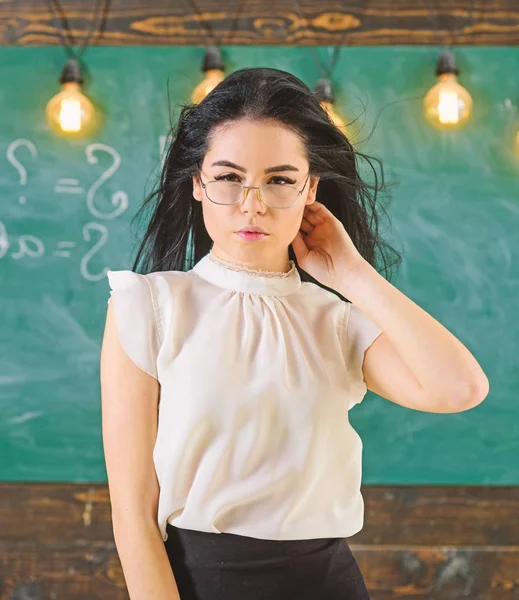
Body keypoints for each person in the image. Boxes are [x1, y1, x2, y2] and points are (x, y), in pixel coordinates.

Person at [100, 67, 489, 600]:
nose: (253, 203)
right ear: (197, 182)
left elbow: (459, 389)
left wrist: (353, 275)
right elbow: (133, 514)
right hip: (198, 583)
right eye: (229, 177)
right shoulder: (147, 305)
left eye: (280, 180)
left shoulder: (337, 320)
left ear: (310, 188)